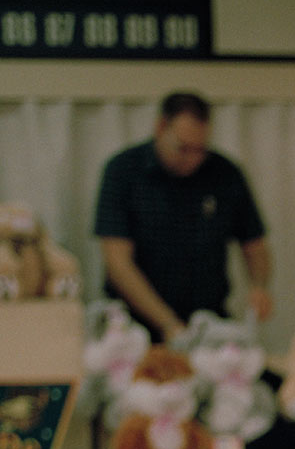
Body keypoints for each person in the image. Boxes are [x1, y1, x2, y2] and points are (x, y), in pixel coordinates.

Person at [92, 91, 272, 339]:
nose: (193, 160)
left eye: (200, 150)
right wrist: (168, 324)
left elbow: (254, 243)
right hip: (133, 327)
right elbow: (118, 263)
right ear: (160, 128)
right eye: (183, 148)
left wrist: (259, 286)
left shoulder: (225, 174)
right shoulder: (123, 172)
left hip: (207, 321)